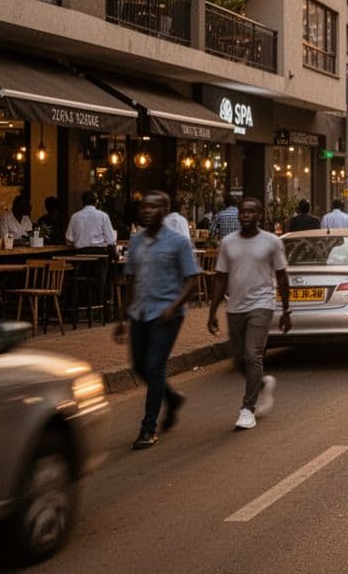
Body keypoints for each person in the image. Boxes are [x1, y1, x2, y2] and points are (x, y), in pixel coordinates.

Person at [115, 191, 198, 449]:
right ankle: (172, 399)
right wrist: (122, 318)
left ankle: (148, 428)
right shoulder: (136, 242)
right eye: (144, 207)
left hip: (166, 314)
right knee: (139, 366)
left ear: (165, 210)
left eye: (154, 207)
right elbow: (130, 280)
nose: (147, 211)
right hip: (140, 311)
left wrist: (174, 306)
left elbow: (192, 279)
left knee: (154, 365)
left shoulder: (178, 242)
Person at [208, 198, 290, 431]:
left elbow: (282, 277)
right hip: (235, 305)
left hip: (262, 304)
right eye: (243, 212)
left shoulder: (271, 242)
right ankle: (262, 382)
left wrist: (286, 310)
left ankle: (247, 409)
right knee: (240, 360)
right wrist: (213, 311)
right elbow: (220, 277)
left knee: (252, 354)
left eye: (251, 212)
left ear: (259, 216)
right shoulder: (227, 243)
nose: (246, 215)